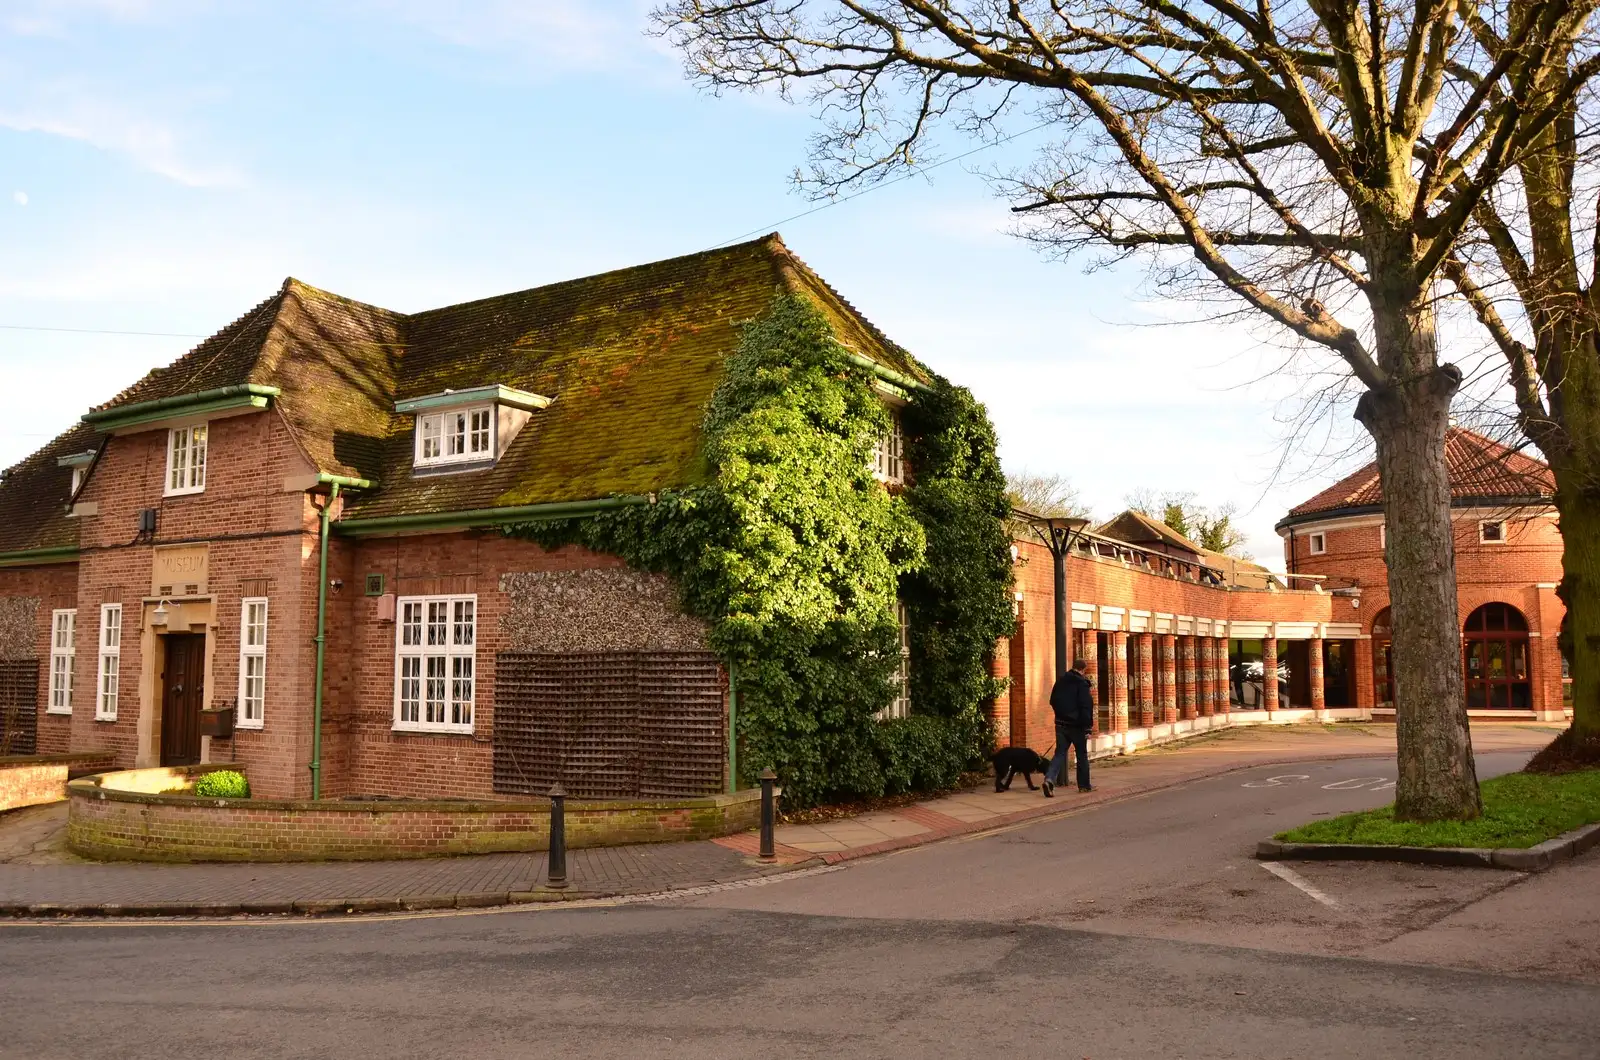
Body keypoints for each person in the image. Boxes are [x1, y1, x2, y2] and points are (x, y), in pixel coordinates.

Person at [1043, 659, 1095, 796]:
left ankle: (1049, 778)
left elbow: (1052, 700)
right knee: (1082, 755)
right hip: (1077, 726)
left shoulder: (1060, 681)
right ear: (1083, 670)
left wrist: (1061, 716)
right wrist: (1088, 727)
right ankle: (1084, 786)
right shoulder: (1082, 684)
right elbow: (1086, 707)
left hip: (1060, 724)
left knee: (1059, 753)